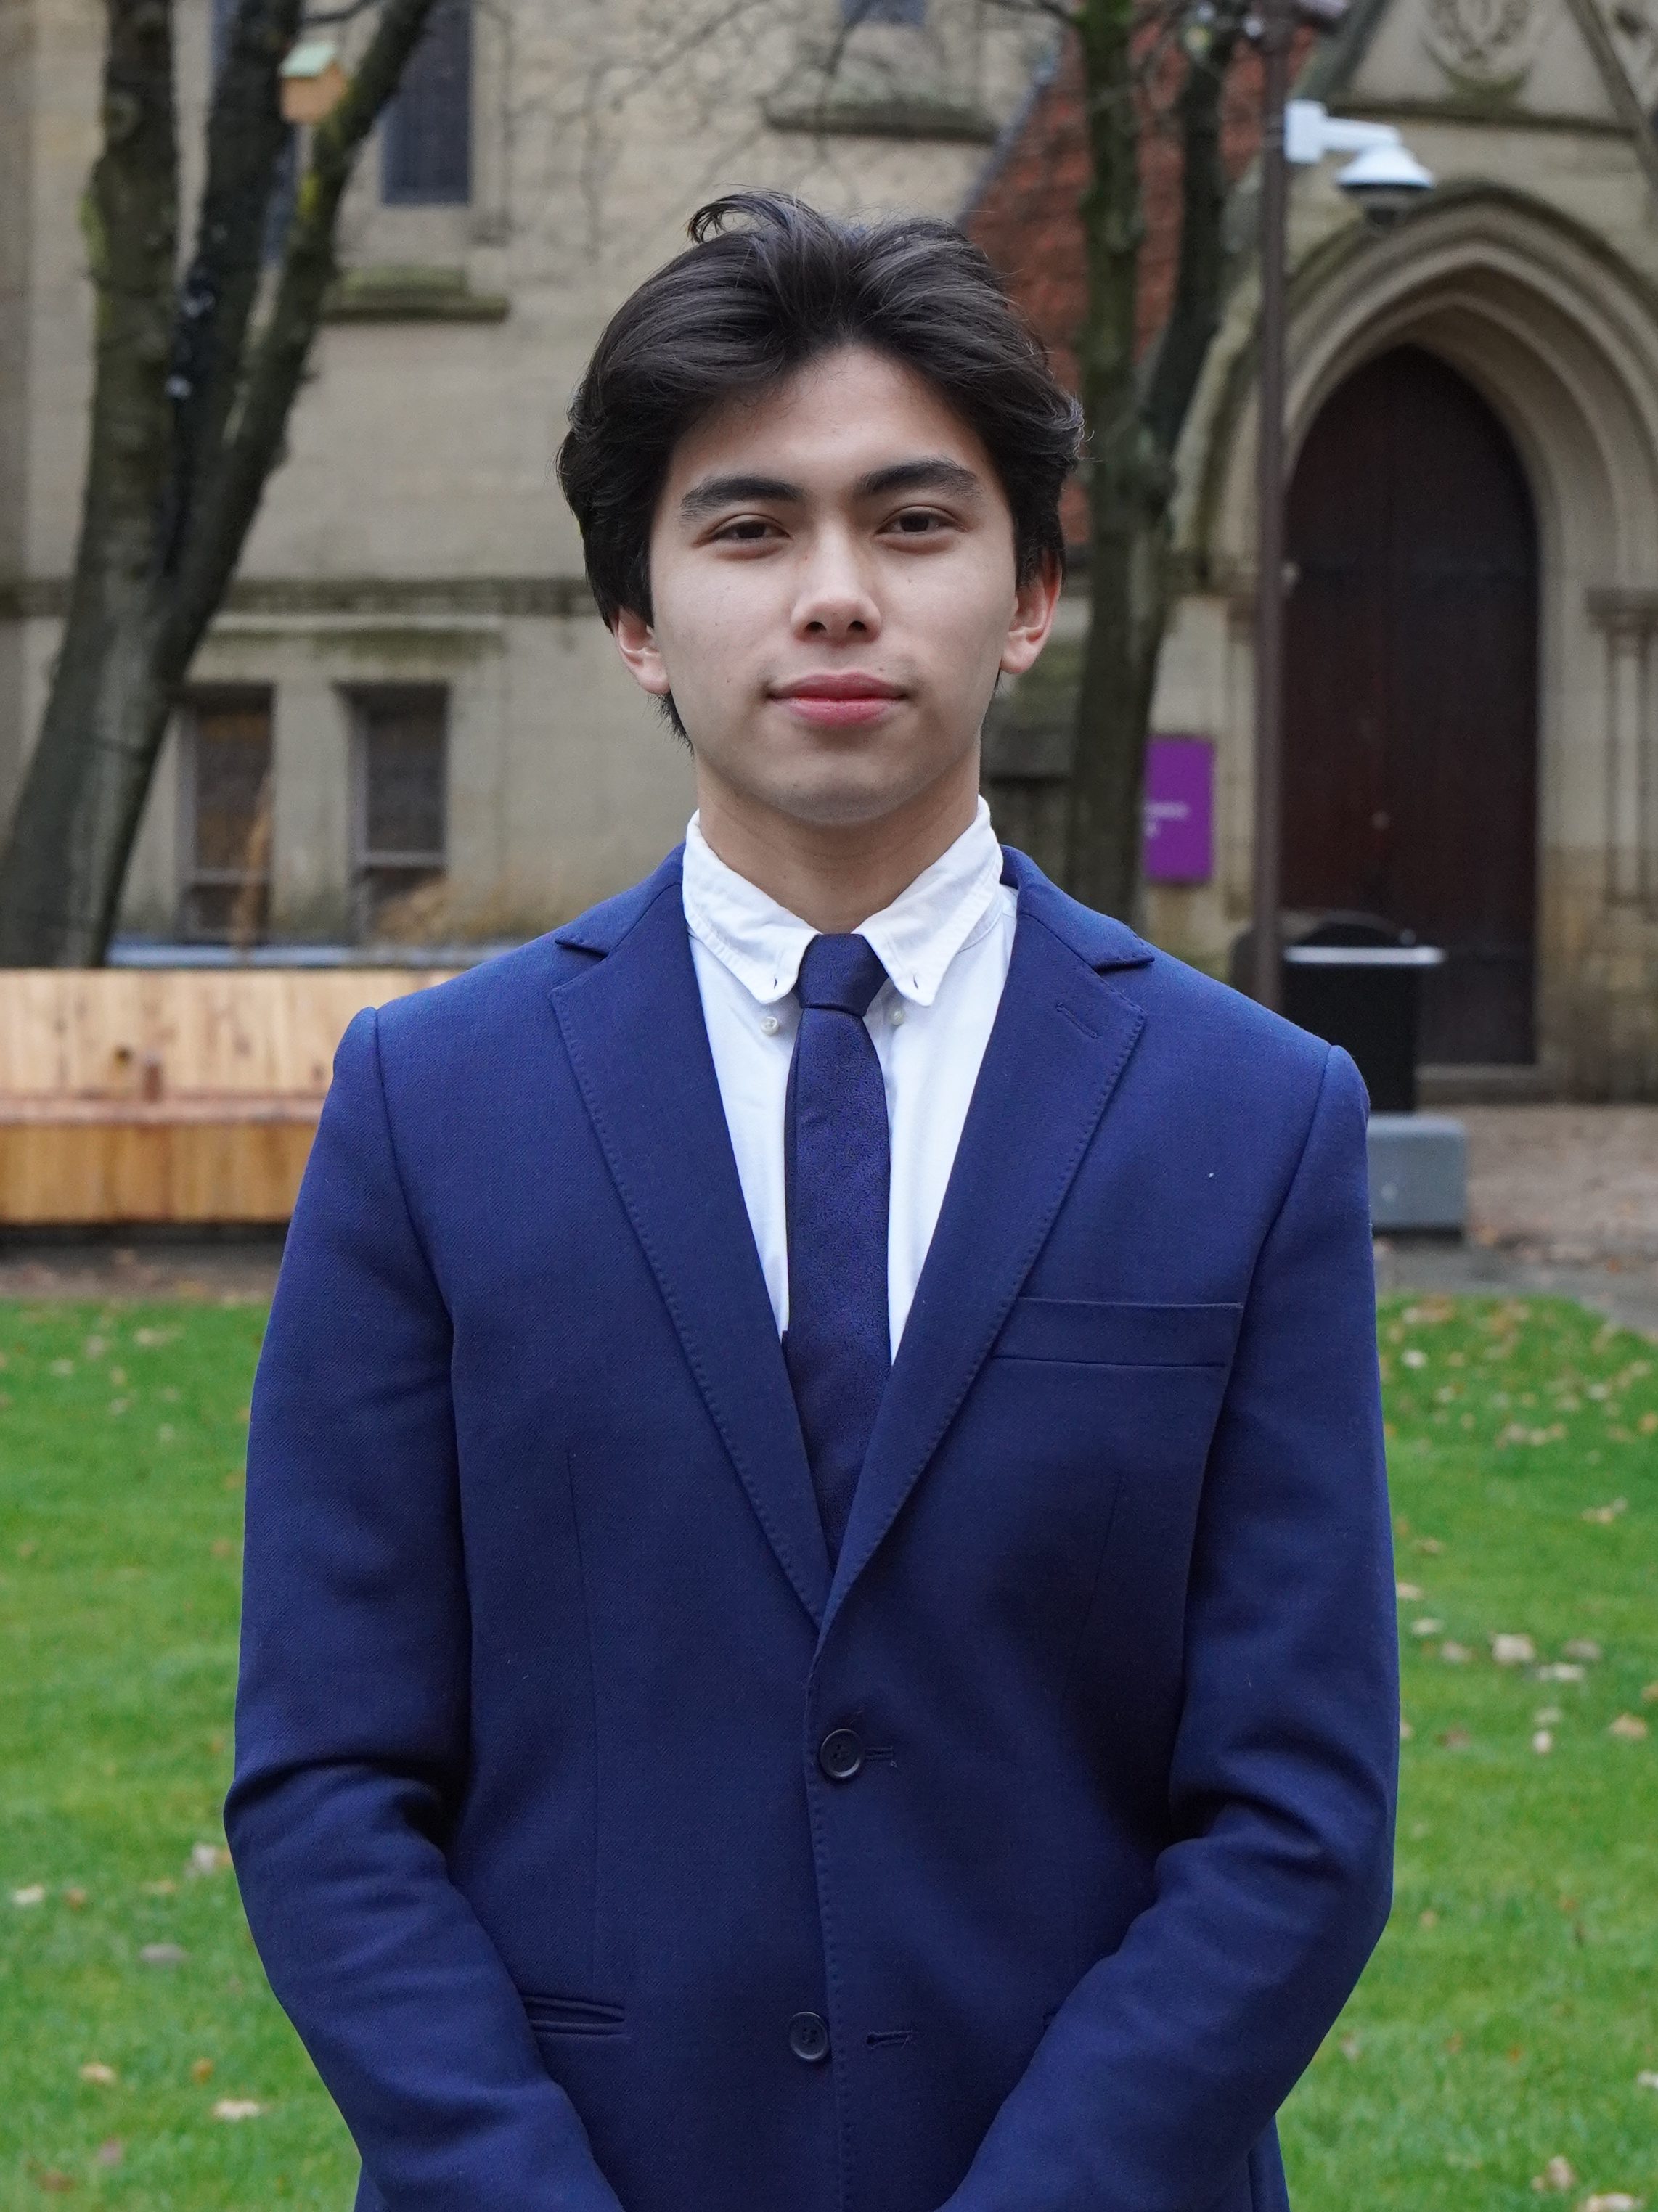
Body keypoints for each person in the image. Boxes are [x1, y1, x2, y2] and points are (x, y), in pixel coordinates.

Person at [227, 193, 1397, 2212]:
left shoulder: (1256, 1114)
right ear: (635, 615)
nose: (835, 596)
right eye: (751, 529)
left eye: (914, 523)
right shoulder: (433, 1108)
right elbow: (330, 1778)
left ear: (1031, 592)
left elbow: (1298, 1811)